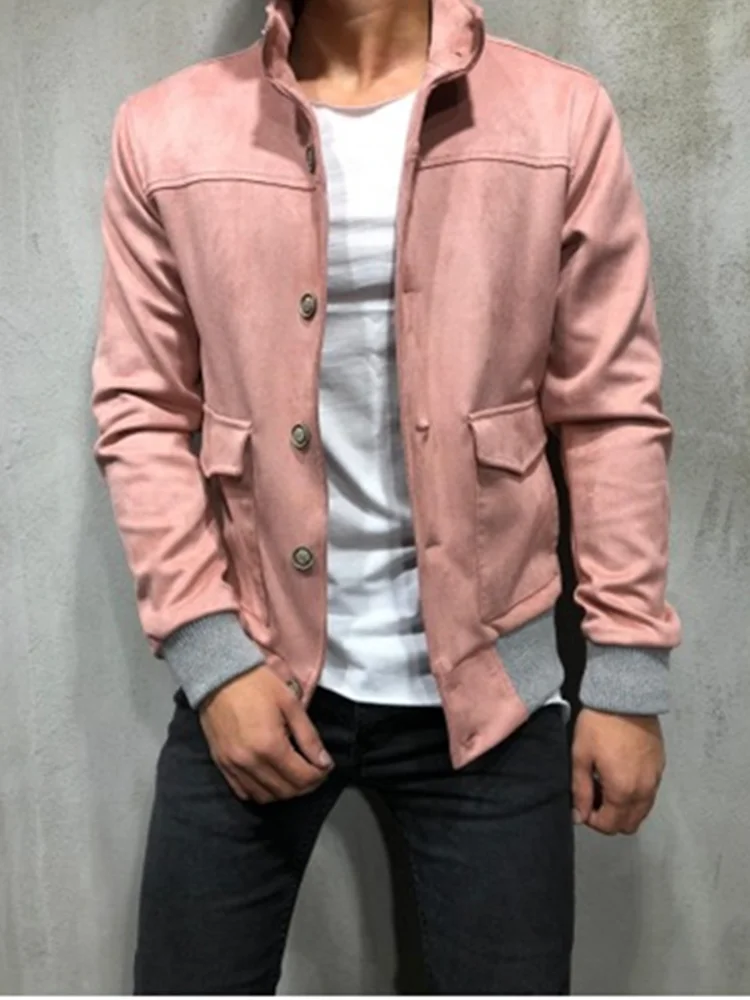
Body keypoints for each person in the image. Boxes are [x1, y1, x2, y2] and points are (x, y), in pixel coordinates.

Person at [91, 0, 682, 993]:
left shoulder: (558, 115)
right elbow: (142, 411)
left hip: (493, 690)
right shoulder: (167, 129)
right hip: (254, 666)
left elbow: (611, 409)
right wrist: (213, 660)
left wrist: (626, 671)